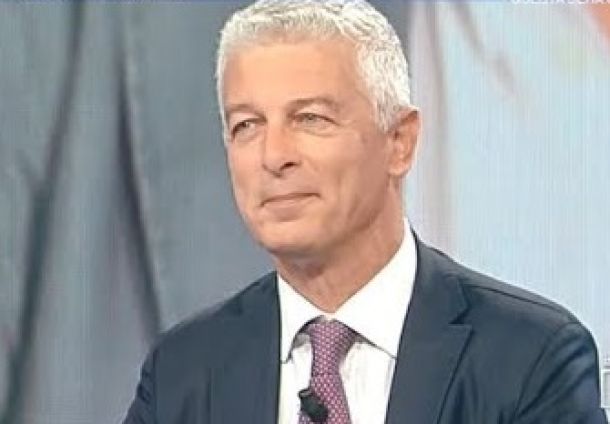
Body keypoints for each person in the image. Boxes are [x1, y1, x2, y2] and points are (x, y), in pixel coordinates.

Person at [123, 1, 607, 423]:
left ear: (399, 142)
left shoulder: (530, 359)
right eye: (247, 125)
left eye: (309, 118)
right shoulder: (183, 372)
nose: (274, 156)